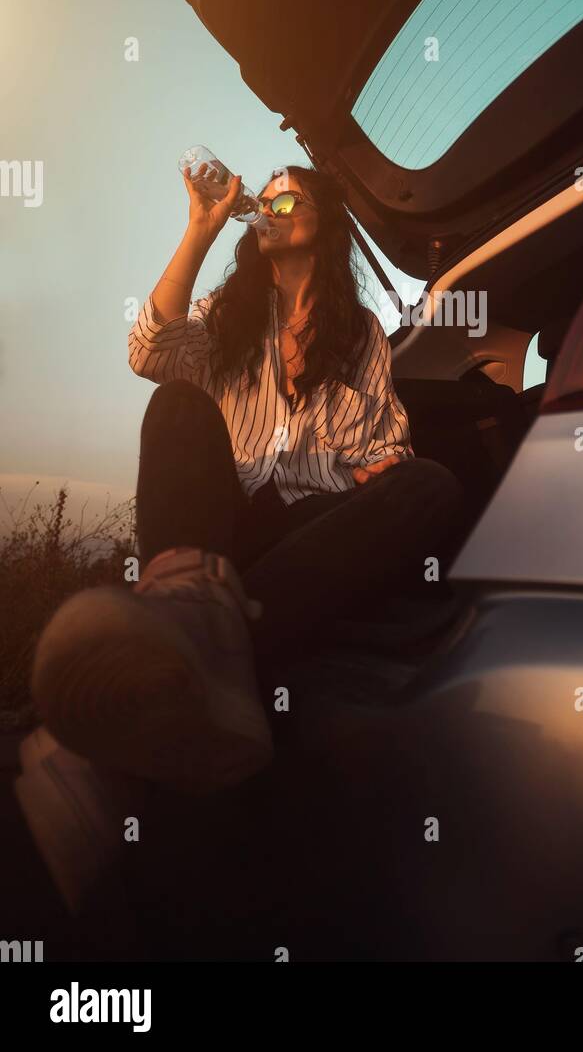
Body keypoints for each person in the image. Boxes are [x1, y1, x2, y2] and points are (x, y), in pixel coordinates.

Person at [17, 162, 463, 910]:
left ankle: (146, 693)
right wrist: (201, 225)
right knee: (178, 411)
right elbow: (148, 351)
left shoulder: (362, 339)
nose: (272, 204)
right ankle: (196, 622)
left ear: (322, 215)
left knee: (432, 486)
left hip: (317, 528)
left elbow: (391, 452)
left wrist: (375, 473)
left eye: (290, 195)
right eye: (267, 196)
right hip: (218, 526)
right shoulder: (229, 311)